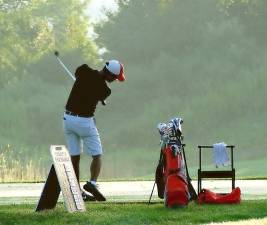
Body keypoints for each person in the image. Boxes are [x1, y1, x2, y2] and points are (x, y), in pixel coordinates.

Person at [63, 60, 125, 201]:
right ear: (109, 75)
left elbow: (79, 74)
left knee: (75, 157)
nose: (115, 80)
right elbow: (100, 93)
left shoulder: (84, 70)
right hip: (84, 122)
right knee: (97, 155)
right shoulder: (105, 90)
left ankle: (76, 191)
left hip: (68, 120)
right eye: (115, 78)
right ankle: (92, 183)